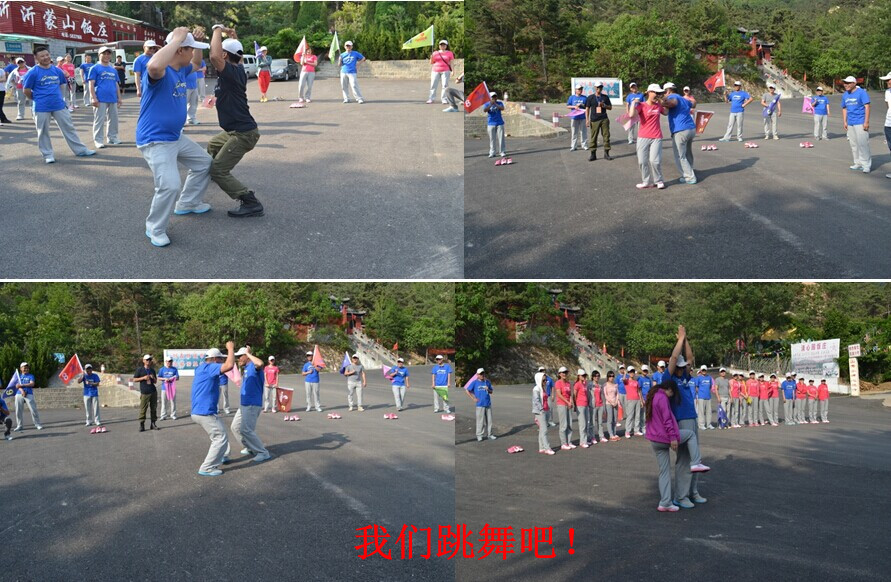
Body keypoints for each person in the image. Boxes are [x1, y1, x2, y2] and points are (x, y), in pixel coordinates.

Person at [136, 28, 213, 248]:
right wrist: (178, 39)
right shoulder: (161, 72)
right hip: (155, 140)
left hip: (174, 137)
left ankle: (187, 202)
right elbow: (153, 66)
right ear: (179, 49)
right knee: (169, 185)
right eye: (191, 49)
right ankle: (155, 227)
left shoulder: (181, 69)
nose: (193, 53)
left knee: (204, 163)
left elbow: (196, 64)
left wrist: (196, 42)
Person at [207, 26, 265, 218]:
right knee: (213, 145)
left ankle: (250, 202)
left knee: (218, 170)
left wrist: (217, 29)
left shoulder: (231, 72)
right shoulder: (238, 67)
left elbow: (214, 56)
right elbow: (237, 55)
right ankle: (218, 174)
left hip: (243, 133)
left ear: (225, 55)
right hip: (233, 130)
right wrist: (233, 36)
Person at [23, 46, 96, 164]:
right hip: (41, 107)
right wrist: (36, 99)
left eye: (47, 55)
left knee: (69, 128)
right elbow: (26, 90)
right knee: (43, 132)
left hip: (59, 105)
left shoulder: (57, 71)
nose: (45, 57)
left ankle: (80, 150)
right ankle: (48, 155)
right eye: (42, 56)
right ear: (36, 58)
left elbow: (62, 86)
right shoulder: (32, 72)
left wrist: (60, 99)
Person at [666, 327, 710, 509]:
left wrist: (685, 340)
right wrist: (679, 340)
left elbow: (690, 358)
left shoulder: (684, 374)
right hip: (680, 419)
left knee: (695, 459)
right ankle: (680, 496)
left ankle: (693, 491)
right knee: (684, 459)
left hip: (691, 417)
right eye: (680, 367)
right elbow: (674, 358)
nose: (683, 369)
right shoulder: (668, 378)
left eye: (683, 367)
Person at [645, 380, 704, 512]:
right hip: (664, 437)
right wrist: (673, 437)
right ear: (670, 390)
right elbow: (667, 420)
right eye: (672, 394)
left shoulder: (653, 396)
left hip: (654, 439)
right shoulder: (663, 398)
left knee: (664, 472)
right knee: (690, 435)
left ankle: (665, 502)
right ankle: (696, 462)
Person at [191, 344, 235, 476]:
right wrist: (231, 349)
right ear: (215, 359)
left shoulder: (201, 368)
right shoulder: (210, 367)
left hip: (199, 411)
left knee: (220, 433)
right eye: (221, 359)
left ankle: (223, 455)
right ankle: (207, 467)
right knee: (220, 437)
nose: (222, 361)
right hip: (205, 412)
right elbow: (229, 366)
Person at [227, 346, 272, 462]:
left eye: (240, 356)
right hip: (244, 403)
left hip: (252, 403)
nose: (238, 359)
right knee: (235, 427)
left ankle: (262, 452)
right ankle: (250, 447)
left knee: (246, 430)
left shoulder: (253, 366)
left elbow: (260, 363)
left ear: (246, 356)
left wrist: (248, 354)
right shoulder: (246, 368)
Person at [662, 82, 697, 185]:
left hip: (680, 130)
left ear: (668, 90)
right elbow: (693, 104)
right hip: (690, 128)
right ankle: (690, 171)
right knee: (687, 153)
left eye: (664, 92)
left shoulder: (672, 97)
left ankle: (689, 177)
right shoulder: (683, 99)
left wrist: (661, 101)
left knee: (680, 156)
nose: (664, 94)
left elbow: (673, 103)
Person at [87, 46, 122, 149]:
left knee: (113, 119)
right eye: (104, 54)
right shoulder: (95, 68)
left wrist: (119, 98)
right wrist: (93, 98)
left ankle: (112, 137)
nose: (107, 56)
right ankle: (98, 140)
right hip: (100, 98)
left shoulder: (113, 70)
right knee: (99, 120)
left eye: (108, 54)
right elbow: (91, 84)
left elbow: (116, 84)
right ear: (99, 55)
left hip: (112, 98)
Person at [635, 84, 667, 189]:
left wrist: (664, 102)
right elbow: (632, 114)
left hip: (656, 136)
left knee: (654, 161)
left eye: (658, 93)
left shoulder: (658, 105)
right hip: (643, 136)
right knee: (642, 161)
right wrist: (633, 104)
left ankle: (659, 180)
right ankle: (646, 181)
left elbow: (666, 112)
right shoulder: (641, 105)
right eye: (655, 93)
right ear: (649, 92)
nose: (657, 95)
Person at [840, 75, 871, 173]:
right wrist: (845, 121)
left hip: (860, 122)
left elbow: (867, 107)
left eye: (848, 83)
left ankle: (866, 165)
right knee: (853, 144)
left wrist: (866, 122)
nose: (846, 85)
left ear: (854, 83)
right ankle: (857, 163)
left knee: (863, 144)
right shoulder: (845, 95)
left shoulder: (861, 93)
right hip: (850, 122)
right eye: (845, 83)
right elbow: (844, 108)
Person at [586, 81, 612, 161]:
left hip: (604, 119)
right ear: (595, 88)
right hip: (594, 119)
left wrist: (604, 105)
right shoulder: (590, 97)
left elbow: (610, 107)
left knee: (606, 136)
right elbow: (587, 108)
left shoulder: (605, 97)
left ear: (602, 88)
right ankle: (593, 154)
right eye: (597, 87)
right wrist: (587, 119)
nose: (599, 88)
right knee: (593, 137)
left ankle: (606, 153)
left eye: (600, 87)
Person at [466, 368, 495, 441]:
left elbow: (491, 392)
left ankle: (490, 434)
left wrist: (488, 389)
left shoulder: (487, 382)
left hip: (487, 403)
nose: (482, 375)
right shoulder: (474, 382)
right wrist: (473, 398)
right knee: (480, 421)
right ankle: (479, 435)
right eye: (480, 374)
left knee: (489, 421)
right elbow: (467, 390)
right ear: (477, 375)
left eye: (483, 373)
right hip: (480, 404)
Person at [13, 362, 42, 431]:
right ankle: (19, 425)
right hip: (19, 394)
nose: (26, 369)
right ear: (21, 368)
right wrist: (22, 391)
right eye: (24, 368)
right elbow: (17, 386)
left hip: (29, 393)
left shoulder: (31, 376)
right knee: (18, 410)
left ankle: (37, 424)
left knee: (33, 409)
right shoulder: (18, 376)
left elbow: (32, 384)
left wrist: (22, 385)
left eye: (27, 368)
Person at [133, 354, 159, 432]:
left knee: (154, 408)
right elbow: (134, 379)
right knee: (143, 409)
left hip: (153, 391)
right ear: (143, 361)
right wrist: (143, 378)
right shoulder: (140, 369)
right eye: (147, 360)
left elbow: (155, 381)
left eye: (150, 360)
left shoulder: (152, 370)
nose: (148, 361)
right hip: (145, 392)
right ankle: (142, 425)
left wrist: (153, 378)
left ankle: (153, 423)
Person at [554, 367, 574, 450]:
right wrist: (567, 402)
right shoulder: (558, 383)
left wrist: (571, 401)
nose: (564, 374)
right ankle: (563, 443)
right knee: (563, 425)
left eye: (565, 372)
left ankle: (569, 441)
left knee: (569, 424)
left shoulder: (568, 383)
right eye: (562, 372)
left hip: (568, 404)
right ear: (559, 374)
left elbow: (570, 394)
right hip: (562, 405)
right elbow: (559, 394)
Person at [428, 40, 454, 104]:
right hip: (435, 70)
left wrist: (453, 71)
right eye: (441, 45)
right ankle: (431, 98)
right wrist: (431, 58)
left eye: (444, 45)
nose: (442, 46)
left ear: (446, 46)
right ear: (439, 46)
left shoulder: (450, 53)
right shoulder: (435, 53)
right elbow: (431, 62)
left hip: (445, 70)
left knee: (445, 85)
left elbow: (451, 63)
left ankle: (444, 99)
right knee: (433, 85)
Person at [532, 372, 553, 454]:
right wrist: (541, 410)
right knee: (544, 430)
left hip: (546, 409)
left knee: (542, 430)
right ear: (539, 379)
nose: (545, 382)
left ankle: (541, 447)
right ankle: (547, 448)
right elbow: (536, 400)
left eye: (546, 380)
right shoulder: (536, 389)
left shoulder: (543, 388)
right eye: (543, 380)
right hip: (540, 412)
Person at [484, 91, 506, 158]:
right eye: (492, 97)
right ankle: (492, 152)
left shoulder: (500, 103)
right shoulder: (487, 103)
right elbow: (485, 110)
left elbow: (502, 108)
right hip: (491, 123)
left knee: (501, 138)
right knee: (492, 139)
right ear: (490, 98)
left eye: (495, 96)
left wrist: (495, 104)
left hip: (499, 123)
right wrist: (491, 104)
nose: (494, 98)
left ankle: (502, 152)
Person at [623, 366, 643, 438]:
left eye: (633, 372)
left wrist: (641, 400)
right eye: (630, 372)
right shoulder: (627, 381)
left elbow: (639, 391)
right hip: (630, 400)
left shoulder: (636, 382)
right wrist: (625, 373)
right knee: (630, 416)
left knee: (637, 416)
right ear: (628, 373)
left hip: (637, 399)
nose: (632, 373)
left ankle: (636, 430)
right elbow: (623, 379)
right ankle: (627, 431)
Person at [567, 85, 588, 151]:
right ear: (575, 90)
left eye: (581, 89)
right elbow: (568, 106)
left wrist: (581, 105)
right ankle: (573, 146)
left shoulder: (585, 98)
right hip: (574, 117)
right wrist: (574, 107)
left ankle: (584, 145)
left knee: (583, 132)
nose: (580, 90)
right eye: (578, 89)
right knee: (574, 132)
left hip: (583, 117)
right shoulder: (571, 97)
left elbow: (587, 107)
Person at [573, 369, 591, 446]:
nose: (584, 377)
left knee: (586, 423)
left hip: (585, 404)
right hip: (580, 405)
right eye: (583, 375)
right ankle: (582, 441)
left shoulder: (585, 384)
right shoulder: (577, 384)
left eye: (585, 375)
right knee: (582, 424)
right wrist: (575, 405)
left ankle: (585, 439)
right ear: (579, 376)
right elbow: (574, 395)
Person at [158, 356, 179, 421]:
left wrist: (173, 378)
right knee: (164, 402)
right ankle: (163, 415)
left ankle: (173, 415)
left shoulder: (174, 369)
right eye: (168, 361)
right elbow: (159, 377)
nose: (169, 362)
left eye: (170, 361)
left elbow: (177, 377)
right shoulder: (162, 369)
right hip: (164, 388)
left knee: (173, 402)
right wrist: (165, 379)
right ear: (166, 362)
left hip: (172, 388)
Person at [693, 365, 714, 430]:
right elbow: (696, 387)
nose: (704, 371)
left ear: (706, 370)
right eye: (703, 370)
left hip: (708, 397)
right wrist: (700, 393)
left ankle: (708, 424)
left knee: (709, 412)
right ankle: (701, 425)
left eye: (705, 370)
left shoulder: (709, 377)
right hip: (701, 397)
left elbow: (710, 386)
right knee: (701, 412)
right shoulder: (698, 378)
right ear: (701, 370)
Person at [603, 371, 619, 441]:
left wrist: (616, 401)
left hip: (615, 403)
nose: (611, 377)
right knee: (610, 419)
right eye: (610, 376)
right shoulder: (605, 385)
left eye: (612, 376)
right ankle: (611, 434)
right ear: (607, 377)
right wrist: (612, 402)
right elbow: (605, 395)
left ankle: (614, 433)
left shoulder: (615, 384)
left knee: (615, 419)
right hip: (609, 403)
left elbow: (617, 394)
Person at [880, 71, 891, 178]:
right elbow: (888, 106)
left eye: (889, 80)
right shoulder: (887, 92)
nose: (887, 82)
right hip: (888, 123)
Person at [637, 365, 654, 434]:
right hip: (643, 399)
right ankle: (643, 427)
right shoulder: (640, 379)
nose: (645, 372)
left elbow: (651, 389)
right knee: (643, 414)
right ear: (641, 371)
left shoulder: (649, 379)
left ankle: (648, 427)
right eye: (644, 370)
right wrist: (641, 400)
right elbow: (639, 390)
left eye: (646, 370)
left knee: (648, 414)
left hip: (648, 399)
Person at [590, 370, 605, 443]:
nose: (597, 377)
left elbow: (601, 395)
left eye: (598, 376)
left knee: (600, 422)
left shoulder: (600, 385)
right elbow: (588, 396)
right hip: (593, 406)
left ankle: (601, 436)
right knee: (592, 422)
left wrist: (603, 405)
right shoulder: (590, 385)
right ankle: (592, 437)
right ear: (593, 377)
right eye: (595, 376)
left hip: (600, 405)